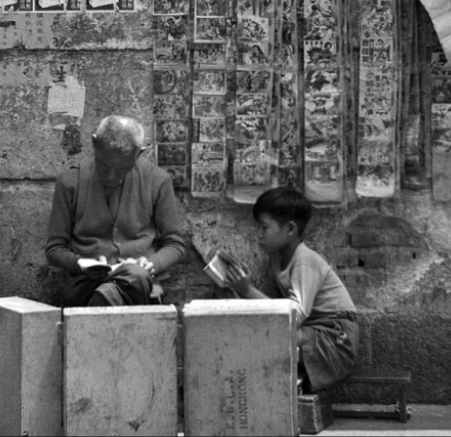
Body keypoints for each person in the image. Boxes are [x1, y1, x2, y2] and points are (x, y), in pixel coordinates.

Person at [218, 187, 358, 392]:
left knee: (270, 337)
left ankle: (283, 388)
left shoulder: (304, 260)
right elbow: (270, 308)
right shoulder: (275, 260)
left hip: (336, 339)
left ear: (290, 230)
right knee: (261, 332)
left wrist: (247, 290)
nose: (258, 235)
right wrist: (238, 288)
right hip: (311, 335)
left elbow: (293, 315)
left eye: (264, 227)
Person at [45, 115, 186, 307]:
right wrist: (81, 264)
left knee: (134, 275)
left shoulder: (158, 181)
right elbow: (54, 249)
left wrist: (152, 264)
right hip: (88, 283)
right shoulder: (70, 182)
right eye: (104, 166)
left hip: (140, 282)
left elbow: (175, 244)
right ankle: (106, 298)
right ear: (94, 144)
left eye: (122, 169)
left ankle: (104, 301)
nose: (111, 176)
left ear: (139, 153)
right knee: (112, 289)